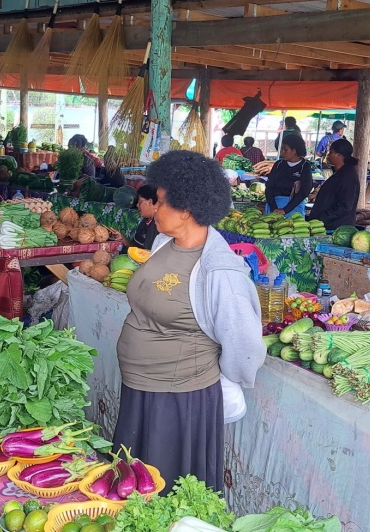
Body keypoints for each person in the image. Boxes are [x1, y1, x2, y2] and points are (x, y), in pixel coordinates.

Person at [113, 150, 264, 493]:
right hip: (140, 389)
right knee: (132, 488)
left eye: (160, 201)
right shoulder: (163, 243)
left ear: (184, 210)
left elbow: (245, 346)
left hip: (179, 399)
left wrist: (205, 375)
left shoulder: (219, 270)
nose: (153, 207)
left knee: (167, 490)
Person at [307, 138, 360, 230]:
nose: (328, 155)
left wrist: (322, 218)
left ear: (338, 156)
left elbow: (345, 206)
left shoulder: (348, 177)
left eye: (331, 152)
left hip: (336, 226)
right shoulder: (340, 173)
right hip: (328, 223)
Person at [263, 133, 314, 217]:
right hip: (274, 206)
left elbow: (304, 191)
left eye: (285, 149)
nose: (282, 152)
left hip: (294, 207)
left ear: (294, 151)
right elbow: (269, 187)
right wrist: (274, 207)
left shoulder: (305, 166)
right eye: (281, 149)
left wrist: (285, 210)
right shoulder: (278, 164)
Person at [129, 185, 159, 250]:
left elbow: (145, 253)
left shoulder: (158, 227)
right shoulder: (145, 221)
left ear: (150, 202)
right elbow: (135, 249)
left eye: (140, 201)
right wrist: (122, 239)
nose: (137, 205)